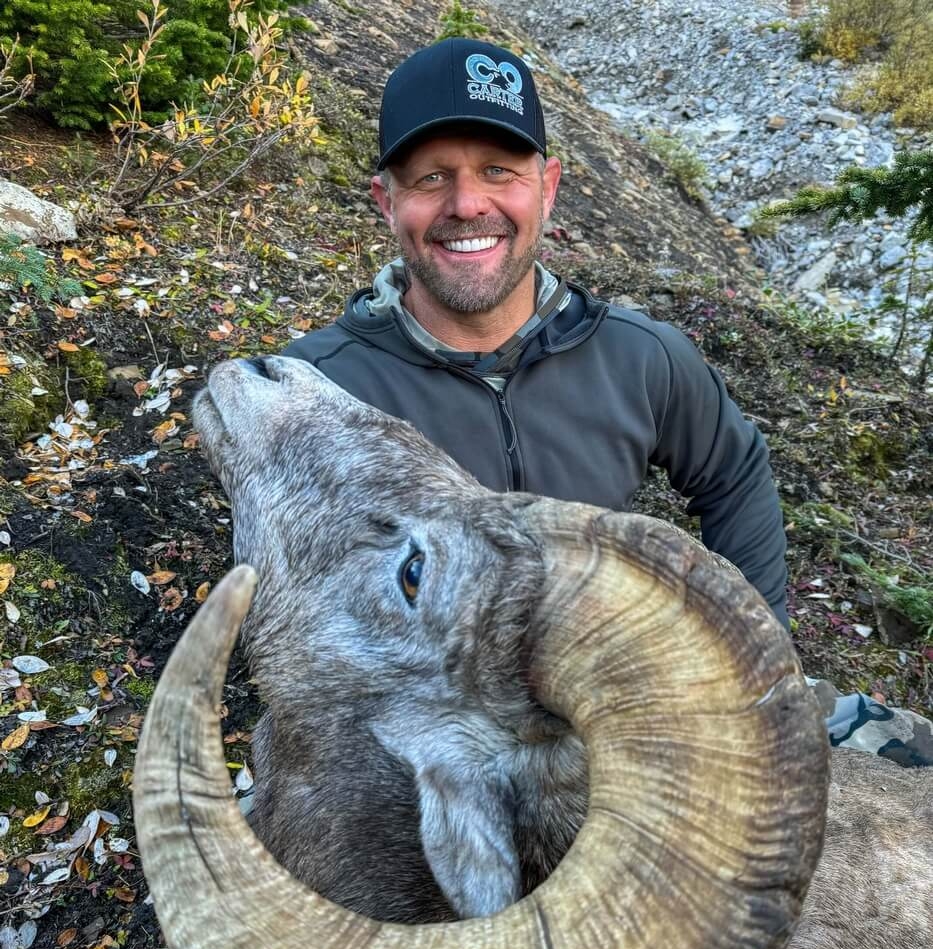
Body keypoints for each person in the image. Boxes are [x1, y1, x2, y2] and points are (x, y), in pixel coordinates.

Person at [281, 37, 933, 766]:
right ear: (386, 200)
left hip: (635, 680)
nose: (468, 204)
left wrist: (753, 654)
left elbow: (734, 471)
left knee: (912, 759)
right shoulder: (319, 393)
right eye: (432, 178)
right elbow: (300, 613)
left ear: (548, 186)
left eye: (499, 171)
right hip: (437, 727)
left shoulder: (636, 355)